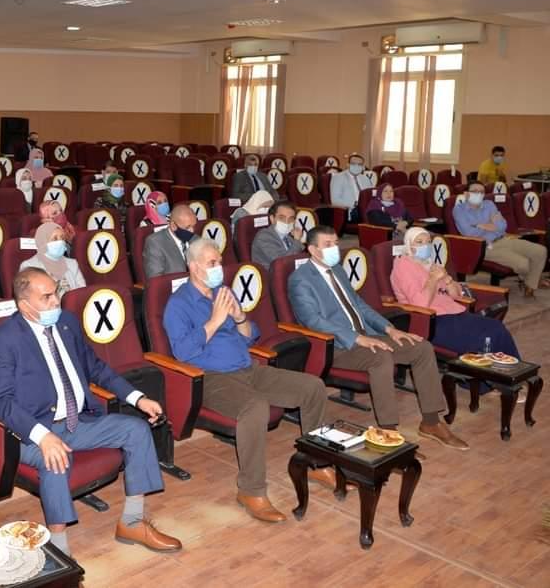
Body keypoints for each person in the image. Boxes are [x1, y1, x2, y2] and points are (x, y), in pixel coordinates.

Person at [0, 268, 181, 555]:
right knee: (56, 458)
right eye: (46, 297)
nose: (56, 301)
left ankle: (132, 522)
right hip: (32, 430)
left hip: (78, 420)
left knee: (137, 430)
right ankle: (59, 550)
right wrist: (42, 437)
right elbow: (1, 402)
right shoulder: (4, 339)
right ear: (24, 305)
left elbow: (96, 368)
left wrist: (137, 398)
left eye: (56, 293)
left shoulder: (66, 322)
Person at [163, 239, 332, 522]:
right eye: (212, 263)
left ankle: (319, 462)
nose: (219, 268)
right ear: (193, 267)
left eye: (220, 262)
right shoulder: (178, 304)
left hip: (248, 368)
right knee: (255, 407)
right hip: (211, 378)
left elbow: (249, 336)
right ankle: (251, 491)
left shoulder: (224, 291)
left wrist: (240, 317)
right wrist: (215, 320)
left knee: (313, 387)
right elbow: (183, 352)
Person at [289, 226, 469, 450]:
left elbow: (359, 305)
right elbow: (312, 320)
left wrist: (389, 329)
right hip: (337, 345)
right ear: (313, 249)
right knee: (381, 357)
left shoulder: (337, 270)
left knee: (421, 347)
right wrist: (357, 338)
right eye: (328, 245)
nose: (335, 248)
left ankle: (431, 422)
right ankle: (389, 433)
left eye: (336, 243)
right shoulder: (300, 279)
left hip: (366, 334)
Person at [391, 227, 521, 362]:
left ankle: (513, 369)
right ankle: (485, 373)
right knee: (485, 338)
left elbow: (457, 295)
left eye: (428, 242)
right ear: (409, 245)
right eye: (419, 242)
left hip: (453, 313)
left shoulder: (429, 263)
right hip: (430, 321)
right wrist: (433, 279)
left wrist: (447, 279)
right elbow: (420, 304)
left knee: (497, 328)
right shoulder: (403, 266)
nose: (426, 246)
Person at [452, 182, 548, 297]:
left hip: (503, 238)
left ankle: (530, 283)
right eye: (475, 191)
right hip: (484, 247)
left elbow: (503, 225)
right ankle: (532, 284)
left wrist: (478, 225)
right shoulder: (459, 210)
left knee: (541, 251)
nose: (479, 194)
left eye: (481, 192)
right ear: (466, 194)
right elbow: (469, 233)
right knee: (523, 264)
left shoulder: (489, 204)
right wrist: (491, 225)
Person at [20, 222, 85, 297]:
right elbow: (30, 297)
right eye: (55, 239)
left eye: (62, 238)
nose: (60, 242)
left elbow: (82, 294)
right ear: (43, 242)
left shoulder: (72, 264)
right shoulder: (29, 266)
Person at [143, 204, 197, 279]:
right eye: (187, 227)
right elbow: (156, 279)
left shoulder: (195, 238)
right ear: (173, 226)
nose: (192, 231)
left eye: (194, 226)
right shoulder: (155, 243)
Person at [251, 200, 304, 270]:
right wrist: (297, 240)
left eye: (291, 219)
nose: (287, 222)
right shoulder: (264, 236)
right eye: (282, 218)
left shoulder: (289, 235)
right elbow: (283, 262)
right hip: (271, 274)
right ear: (272, 219)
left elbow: (300, 254)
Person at [329, 153, 372, 222]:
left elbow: (371, 196)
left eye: (360, 164)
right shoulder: (338, 178)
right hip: (350, 211)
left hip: (366, 209)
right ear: (348, 165)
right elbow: (335, 201)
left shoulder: (365, 179)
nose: (356, 166)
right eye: (353, 164)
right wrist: (355, 205)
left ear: (363, 167)